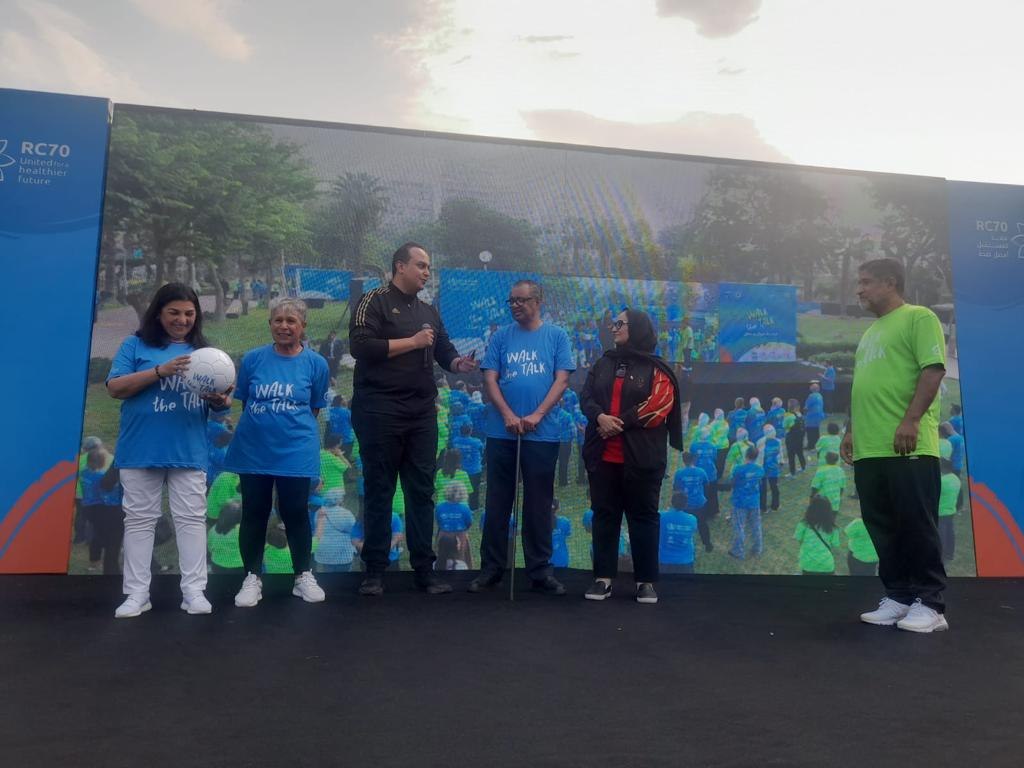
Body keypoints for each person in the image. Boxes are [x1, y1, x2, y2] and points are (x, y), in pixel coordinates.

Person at [349, 243, 478, 597]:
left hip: (421, 413)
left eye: (429, 267)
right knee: (380, 490)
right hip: (379, 410)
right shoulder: (373, 301)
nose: (426, 272)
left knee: (421, 491)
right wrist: (413, 341)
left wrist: (458, 364)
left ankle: (425, 569)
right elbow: (360, 346)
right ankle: (375, 571)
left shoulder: (428, 310)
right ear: (400, 266)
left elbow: (443, 350)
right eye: (420, 265)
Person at [105, 282, 232, 618]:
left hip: (187, 450)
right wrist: (161, 370)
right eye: (174, 312)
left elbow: (222, 404)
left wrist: (220, 400)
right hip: (140, 448)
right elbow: (115, 388)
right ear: (158, 313)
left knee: (191, 520)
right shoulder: (135, 345)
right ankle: (136, 594)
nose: (182, 319)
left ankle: (194, 592)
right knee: (139, 521)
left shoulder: (206, 353)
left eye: (189, 313)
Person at [842, 258, 948, 633]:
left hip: (909, 445)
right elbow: (865, 385)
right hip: (870, 447)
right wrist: (851, 430)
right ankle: (899, 596)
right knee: (881, 526)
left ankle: (931, 604)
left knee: (916, 524)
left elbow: (933, 369)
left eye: (866, 281)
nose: (859, 289)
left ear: (890, 283)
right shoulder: (871, 332)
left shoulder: (919, 317)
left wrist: (911, 420)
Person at [470, 279, 573, 596]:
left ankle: (540, 571)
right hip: (502, 432)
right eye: (511, 301)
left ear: (537, 302)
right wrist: (507, 415)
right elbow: (490, 378)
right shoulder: (500, 336)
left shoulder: (556, 336)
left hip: (542, 434)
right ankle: (491, 569)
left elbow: (562, 379)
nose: (515, 305)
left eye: (521, 300)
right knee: (497, 502)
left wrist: (537, 414)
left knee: (539, 505)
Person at [225, 298, 330, 608]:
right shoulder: (253, 359)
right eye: (278, 320)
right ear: (270, 324)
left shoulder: (316, 364)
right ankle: (251, 578)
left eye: (291, 321)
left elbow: (313, 408)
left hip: (296, 450)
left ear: (303, 326)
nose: (284, 326)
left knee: (295, 511)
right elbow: (246, 402)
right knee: (254, 512)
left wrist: (289, 428)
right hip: (253, 449)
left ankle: (303, 576)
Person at [580, 309, 682, 604]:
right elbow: (586, 397)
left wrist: (617, 423)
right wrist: (600, 417)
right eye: (613, 324)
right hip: (603, 457)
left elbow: (658, 406)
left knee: (643, 517)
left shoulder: (657, 368)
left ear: (636, 328)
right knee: (604, 516)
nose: (614, 328)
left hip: (642, 459)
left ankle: (645, 582)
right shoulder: (603, 362)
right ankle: (603, 579)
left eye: (620, 324)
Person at [728, 447, 764, 560]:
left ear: (746, 455)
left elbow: (732, 483)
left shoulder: (738, 469)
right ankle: (757, 548)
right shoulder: (760, 469)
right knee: (756, 525)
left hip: (740, 501)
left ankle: (738, 551)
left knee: (739, 527)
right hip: (754, 501)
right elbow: (760, 482)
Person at [674, 452, 712, 552]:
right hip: (700, 503)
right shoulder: (701, 471)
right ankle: (708, 544)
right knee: (702, 524)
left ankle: (684, 545)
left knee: (685, 525)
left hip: (685, 505)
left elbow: (676, 488)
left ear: (684, 461)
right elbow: (706, 484)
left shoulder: (679, 473)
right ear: (693, 459)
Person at [314, 488, 357, 573]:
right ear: (338, 499)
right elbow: (354, 530)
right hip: (343, 554)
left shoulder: (319, 512)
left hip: (325, 552)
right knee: (343, 577)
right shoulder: (345, 513)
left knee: (329, 577)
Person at [794, 496, 840, 575]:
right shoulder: (833, 528)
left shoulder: (803, 524)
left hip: (807, 563)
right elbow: (835, 545)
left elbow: (799, 540)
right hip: (826, 564)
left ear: (810, 509)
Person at [435, 482, 474, 570]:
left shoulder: (439, 507)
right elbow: (469, 523)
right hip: (460, 535)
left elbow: (438, 521)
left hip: (444, 535)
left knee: (442, 556)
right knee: (460, 558)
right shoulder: (465, 508)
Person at [659, 491, 697, 573]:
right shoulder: (692, 519)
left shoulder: (661, 516)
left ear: (672, 502)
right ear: (686, 504)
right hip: (685, 561)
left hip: (664, 560)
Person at [451, 423, 484, 510]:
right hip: (474, 470)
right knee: (474, 489)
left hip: (460, 470)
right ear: (470, 431)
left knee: (459, 488)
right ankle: (474, 507)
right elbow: (482, 451)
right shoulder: (476, 442)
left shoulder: (455, 441)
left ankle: (458, 504)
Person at [938, 458, 962, 562]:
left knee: (941, 534)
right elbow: (960, 497)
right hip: (951, 510)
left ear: (943, 468)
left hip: (941, 512)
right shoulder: (956, 479)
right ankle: (949, 554)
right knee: (950, 533)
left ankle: (941, 555)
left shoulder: (942, 481)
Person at [757, 424, 782, 513]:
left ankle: (774, 505)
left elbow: (780, 453)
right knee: (764, 488)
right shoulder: (762, 442)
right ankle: (763, 507)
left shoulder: (777, 441)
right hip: (765, 468)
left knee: (773, 487)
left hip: (771, 468)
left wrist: (781, 461)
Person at [784, 399, 807, 476]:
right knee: (800, 453)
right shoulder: (799, 414)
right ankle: (803, 467)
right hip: (800, 438)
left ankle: (792, 472)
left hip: (791, 438)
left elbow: (784, 425)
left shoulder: (788, 415)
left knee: (791, 455)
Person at [550, 499, 573, 569]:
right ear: (558, 508)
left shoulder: (540, 524)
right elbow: (568, 533)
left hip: (547, 560)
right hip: (562, 559)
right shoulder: (565, 521)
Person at [804, 383, 825, 450]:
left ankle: (810, 446)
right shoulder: (820, 396)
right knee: (816, 430)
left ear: (812, 388)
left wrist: (804, 414)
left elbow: (806, 407)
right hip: (819, 415)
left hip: (811, 416)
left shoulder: (811, 396)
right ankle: (817, 445)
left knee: (810, 431)